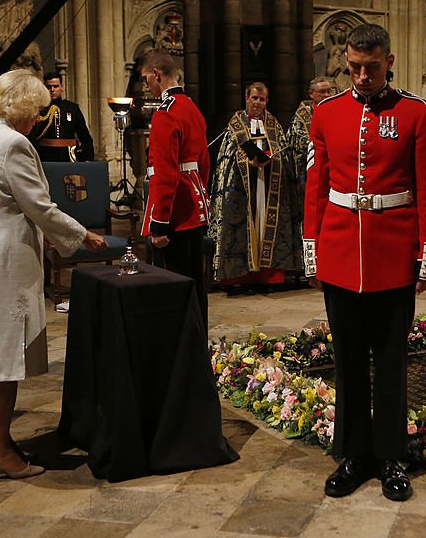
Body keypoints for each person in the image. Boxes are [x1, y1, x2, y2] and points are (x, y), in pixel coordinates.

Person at [303, 23, 426, 502]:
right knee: (346, 362)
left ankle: (390, 457)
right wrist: (311, 247)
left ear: (389, 62)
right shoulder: (326, 113)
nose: (362, 76)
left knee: (389, 362)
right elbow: (317, 185)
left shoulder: (416, 113)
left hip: (393, 253)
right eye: (354, 67)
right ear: (345, 61)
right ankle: (353, 454)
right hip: (341, 252)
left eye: (372, 67)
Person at [0, 69, 106, 480]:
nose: (39, 119)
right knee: (5, 357)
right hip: (3, 258)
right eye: (37, 111)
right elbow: (39, 206)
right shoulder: (12, 143)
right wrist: (82, 235)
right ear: (22, 107)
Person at [139, 48, 213, 331]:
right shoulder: (191, 107)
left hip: (175, 214)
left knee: (175, 285)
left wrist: (158, 224)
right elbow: (204, 163)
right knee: (195, 285)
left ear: (157, 75)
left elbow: (165, 174)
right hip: (194, 207)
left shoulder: (165, 114)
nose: (147, 85)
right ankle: (197, 342)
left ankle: (180, 350)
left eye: (147, 79)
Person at [210, 81, 300, 289]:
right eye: (254, 98)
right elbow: (226, 159)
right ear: (247, 98)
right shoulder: (235, 124)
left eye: (262, 99)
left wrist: (271, 160)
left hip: (268, 186)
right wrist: (246, 162)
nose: (258, 103)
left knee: (265, 226)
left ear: (267, 101)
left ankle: (269, 276)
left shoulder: (274, 124)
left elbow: (283, 152)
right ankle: (240, 277)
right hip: (242, 190)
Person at [287, 77, 335, 237]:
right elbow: (299, 149)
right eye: (322, 92)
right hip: (307, 177)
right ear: (311, 94)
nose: (327, 95)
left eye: (329, 91)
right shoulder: (300, 120)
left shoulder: (336, 111)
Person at [27, 72, 94, 162]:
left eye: (56, 86)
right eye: (49, 87)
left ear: (62, 87)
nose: (52, 90)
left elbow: (84, 136)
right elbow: (31, 136)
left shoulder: (72, 108)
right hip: (44, 156)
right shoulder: (39, 109)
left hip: (68, 156)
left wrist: (88, 158)